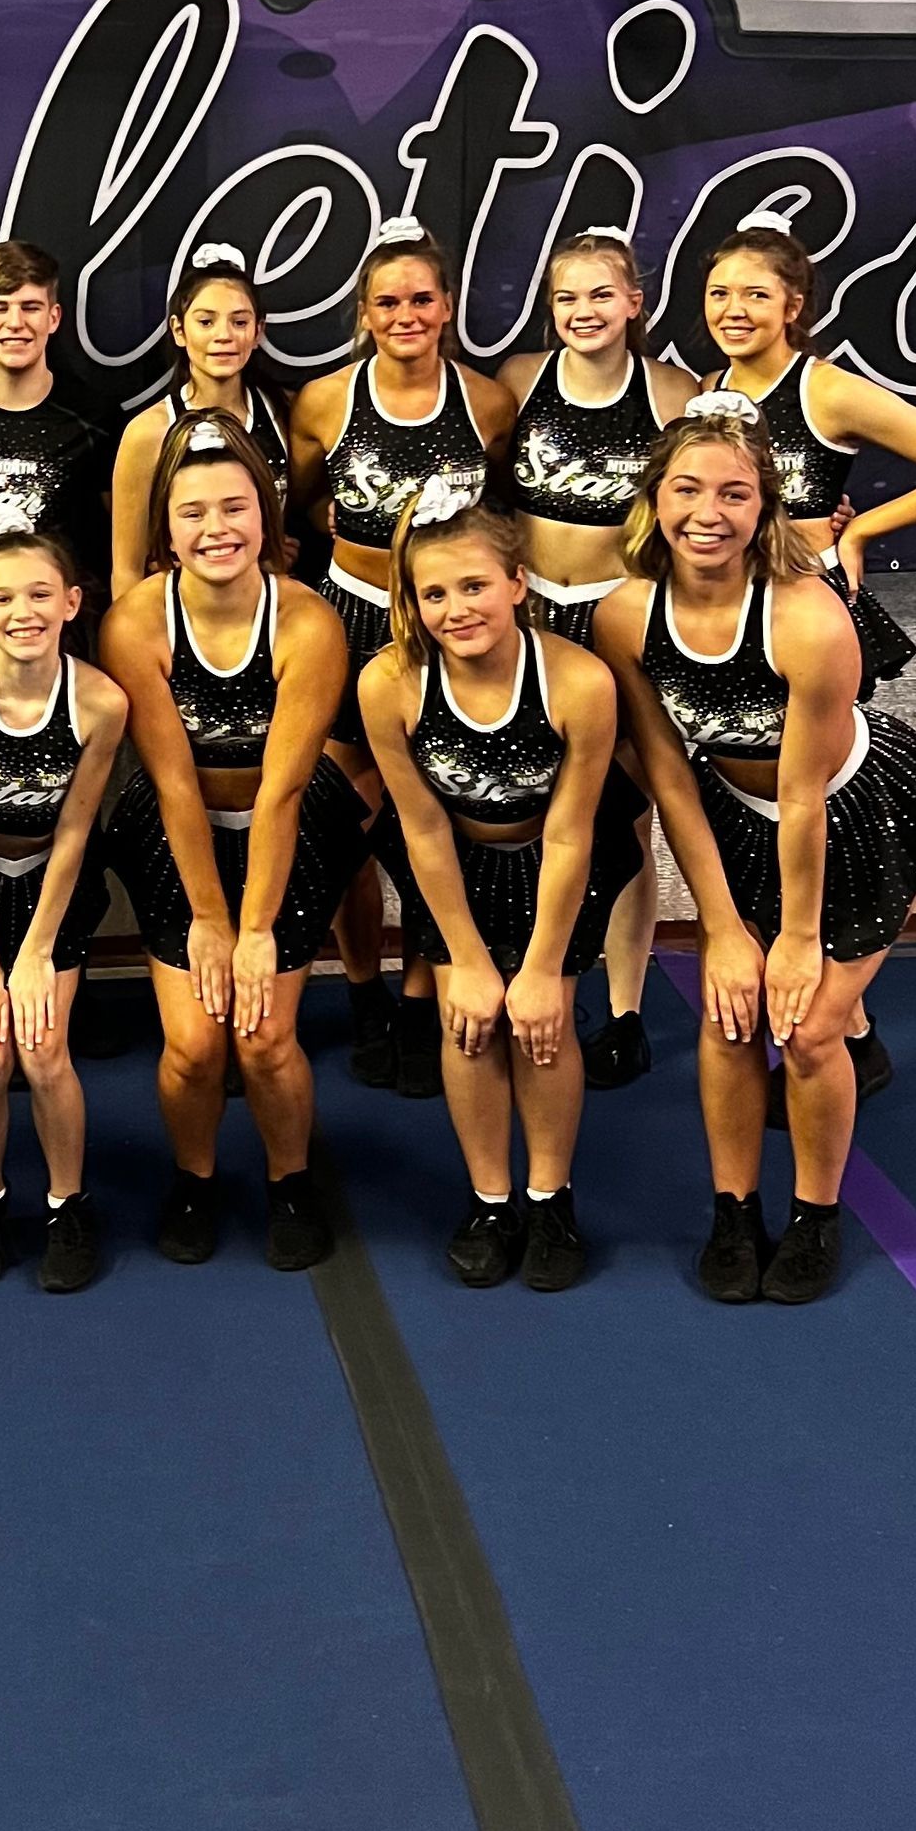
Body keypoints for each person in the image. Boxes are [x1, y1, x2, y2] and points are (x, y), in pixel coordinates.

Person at [594, 401, 916, 1305]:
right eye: (686, 489)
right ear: (653, 498)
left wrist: (795, 940)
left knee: (804, 1029)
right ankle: (733, 1208)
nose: (708, 512)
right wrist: (721, 926)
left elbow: (803, 797)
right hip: (732, 810)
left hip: (850, 817)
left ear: (766, 507)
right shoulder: (624, 614)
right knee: (729, 1012)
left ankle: (816, 1211)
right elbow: (669, 778)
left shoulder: (807, 618)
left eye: (735, 493)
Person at [702, 213, 916, 1105]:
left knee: (818, 813)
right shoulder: (702, 394)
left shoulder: (824, 390)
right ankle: (848, 1029)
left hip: (808, 628)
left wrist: (860, 528)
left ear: (793, 305)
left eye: (756, 293)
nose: (735, 308)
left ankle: (830, 1013)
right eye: (720, 293)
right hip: (727, 637)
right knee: (756, 818)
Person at [102, 412, 365, 1271]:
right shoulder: (136, 622)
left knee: (262, 1036)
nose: (215, 528)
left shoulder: (309, 623)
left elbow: (286, 787)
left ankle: (290, 1178)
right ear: (166, 532)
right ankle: (195, 1174)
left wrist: (255, 930)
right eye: (192, 514)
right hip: (177, 826)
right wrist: (209, 919)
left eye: (234, 507)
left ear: (267, 517)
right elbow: (174, 783)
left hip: (287, 822)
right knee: (194, 1043)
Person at [360, 489, 636, 1292]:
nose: (455, 609)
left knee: (541, 1026)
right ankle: (491, 1197)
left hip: (556, 860)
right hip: (456, 865)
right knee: (470, 1022)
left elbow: (571, 832)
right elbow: (422, 829)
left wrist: (544, 967)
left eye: (474, 586)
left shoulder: (577, 682)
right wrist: (469, 960)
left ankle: (550, 1195)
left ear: (518, 582)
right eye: (433, 593)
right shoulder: (392, 683)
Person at [290, 216, 515, 1098]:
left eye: (422, 297)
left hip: (443, 629)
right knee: (348, 812)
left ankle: (426, 989)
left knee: (439, 809)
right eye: (388, 300)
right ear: (364, 311)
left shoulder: (487, 403)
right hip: (351, 614)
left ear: (447, 306)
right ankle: (360, 990)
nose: (406, 313)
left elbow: (498, 522)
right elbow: (304, 507)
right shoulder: (326, 400)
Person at [499, 227, 696, 1092]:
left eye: (599, 295)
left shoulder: (670, 394)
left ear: (634, 303)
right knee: (537, 807)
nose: (583, 311)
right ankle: (536, 974)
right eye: (566, 298)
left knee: (623, 819)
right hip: (532, 613)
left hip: (621, 617)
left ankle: (623, 1007)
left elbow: (709, 502)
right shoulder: (518, 382)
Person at [0, 508, 128, 1293]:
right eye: (2, 598)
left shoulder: (100, 703)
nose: (23, 613)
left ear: (72, 602)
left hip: (54, 888)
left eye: (40, 594)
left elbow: (76, 830)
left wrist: (37, 951)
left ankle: (66, 1202)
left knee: (43, 1051)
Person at [0, 240, 110, 611]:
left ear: (54, 317)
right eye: (0, 308)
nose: (15, 324)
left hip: (58, 630)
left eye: (31, 307)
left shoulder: (96, 418)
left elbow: (118, 545)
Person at [109, 244, 293, 598]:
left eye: (239, 322)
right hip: (182, 608)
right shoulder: (149, 432)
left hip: (268, 602)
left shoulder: (282, 414)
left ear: (258, 332)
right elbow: (127, 568)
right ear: (179, 330)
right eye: (206, 321)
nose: (223, 335)